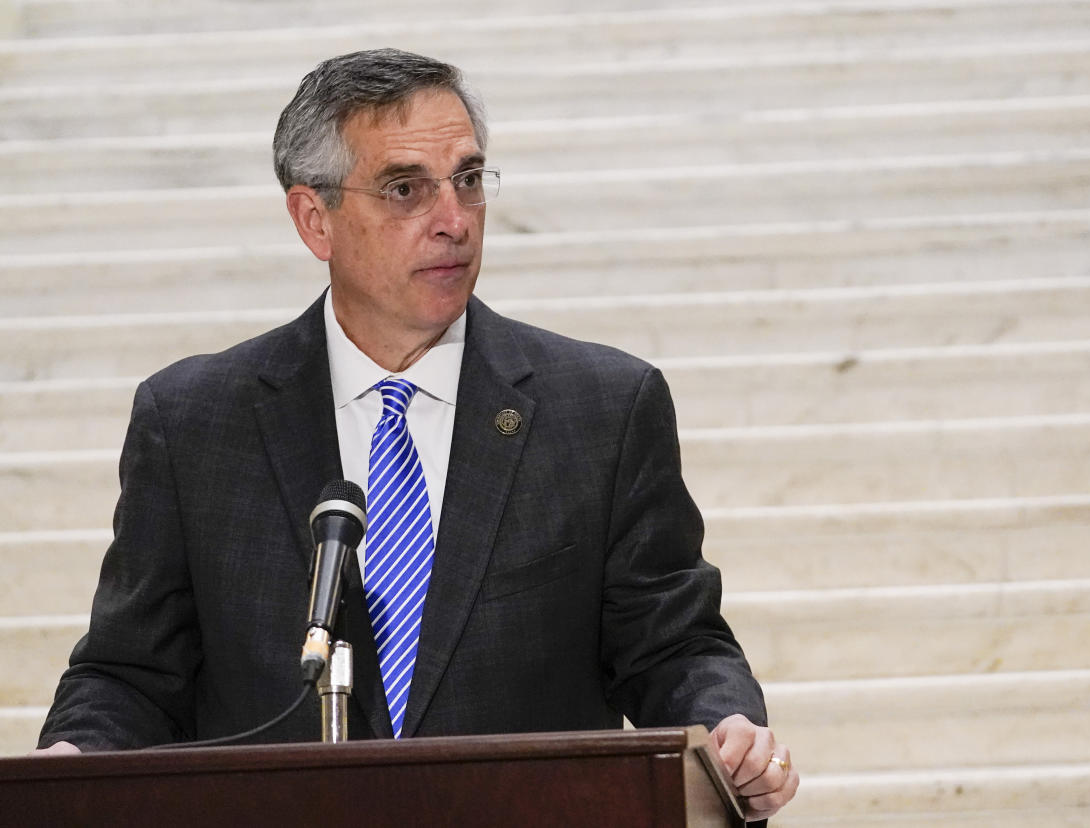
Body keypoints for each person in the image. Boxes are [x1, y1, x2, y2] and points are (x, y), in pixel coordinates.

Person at [35, 49, 798, 820]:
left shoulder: (601, 408)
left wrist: (729, 728)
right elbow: (132, 675)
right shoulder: (196, 421)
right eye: (407, 189)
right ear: (314, 219)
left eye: (468, 180)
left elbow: (672, 644)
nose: (454, 220)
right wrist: (72, 762)